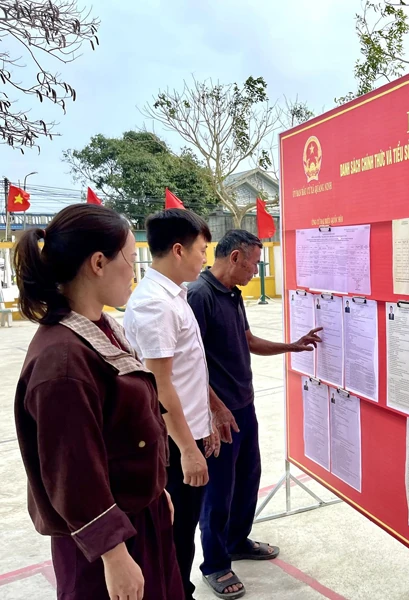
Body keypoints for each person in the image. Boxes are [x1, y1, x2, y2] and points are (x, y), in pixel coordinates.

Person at [13, 204, 183, 599]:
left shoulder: (100, 328)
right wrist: (114, 554)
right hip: (103, 545)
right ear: (98, 263)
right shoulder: (62, 361)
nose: (134, 271)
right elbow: (73, 472)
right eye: (130, 258)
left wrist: (155, 488)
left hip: (138, 517)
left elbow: (126, 431)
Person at [187, 230, 322, 599]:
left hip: (244, 406)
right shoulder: (199, 296)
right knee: (218, 491)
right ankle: (215, 564)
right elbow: (190, 362)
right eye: (253, 263)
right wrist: (215, 408)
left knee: (248, 478)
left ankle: (236, 540)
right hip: (217, 413)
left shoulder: (232, 294)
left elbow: (248, 341)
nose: (256, 270)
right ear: (234, 257)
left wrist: (293, 345)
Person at [124, 208, 219, 600]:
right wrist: (188, 450)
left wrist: (208, 419)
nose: (205, 259)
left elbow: (186, 372)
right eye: (202, 250)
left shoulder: (174, 296)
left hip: (187, 435)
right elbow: (160, 385)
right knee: (173, 538)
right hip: (172, 446)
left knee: (183, 533)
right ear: (178, 250)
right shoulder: (155, 305)